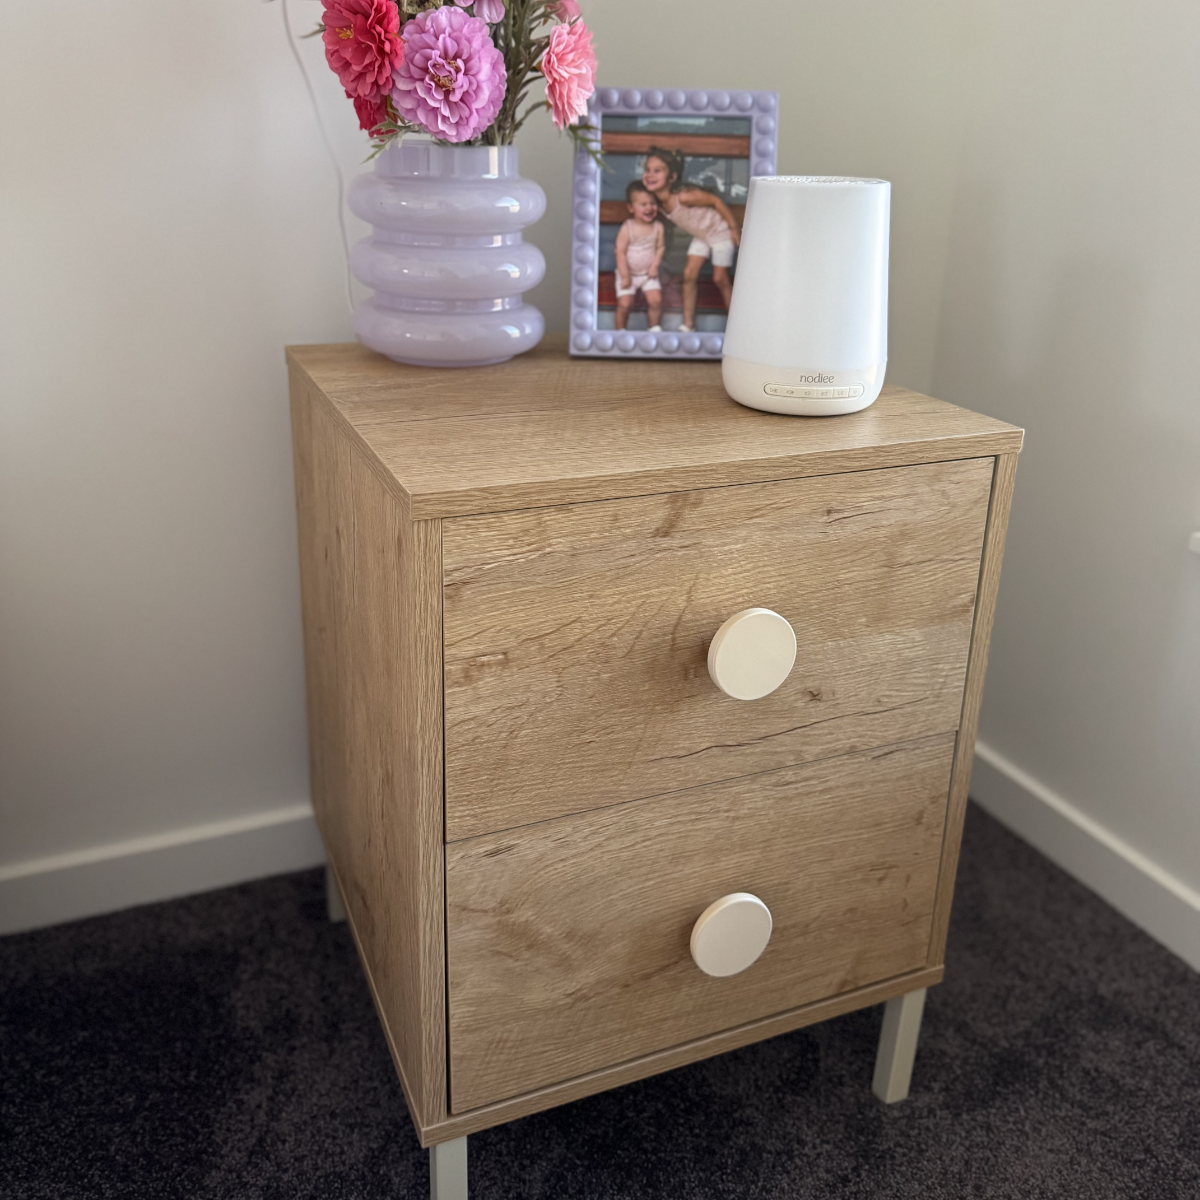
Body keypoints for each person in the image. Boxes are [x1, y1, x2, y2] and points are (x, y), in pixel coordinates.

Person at [641, 146, 740, 331]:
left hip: (719, 232)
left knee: (720, 278)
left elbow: (715, 201)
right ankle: (689, 325)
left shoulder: (683, 196)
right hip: (701, 236)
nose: (650, 174)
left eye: (657, 171)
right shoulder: (657, 202)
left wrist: (734, 229)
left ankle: (737, 327)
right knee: (688, 275)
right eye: (647, 170)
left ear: (672, 178)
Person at [614, 181, 665, 331]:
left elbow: (660, 248)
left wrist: (654, 267)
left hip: (648, 274)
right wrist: (625, 276)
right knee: (625, 303)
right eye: (643, 204)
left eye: (653, 203)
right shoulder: (627, 227)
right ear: (631, 208)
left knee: (656, 301)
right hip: (627, 273)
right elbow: (620, 252)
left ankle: (653, 328)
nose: (649, 208)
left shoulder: (658, 227)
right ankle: (619, 332)